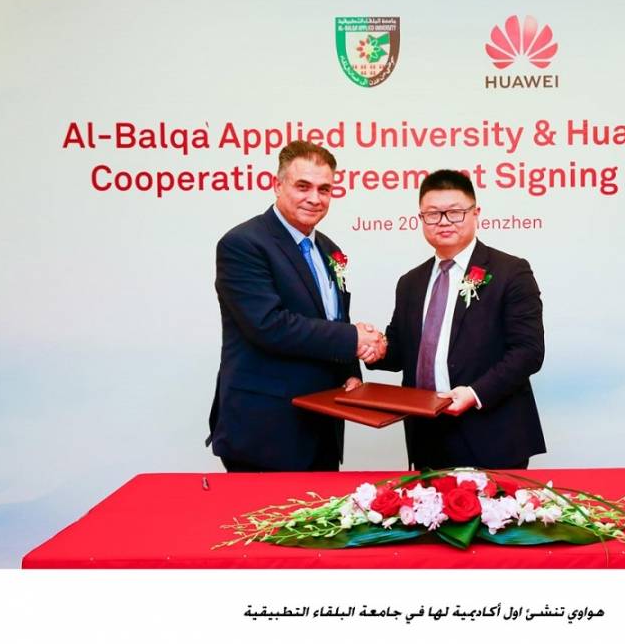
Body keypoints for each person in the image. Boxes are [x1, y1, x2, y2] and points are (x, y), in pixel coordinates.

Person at [207, 141, 385, 472]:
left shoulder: (329, 249)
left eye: (324, 189)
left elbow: (333, 318)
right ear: (277, 185)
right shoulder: (243, 244)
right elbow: (269, 325)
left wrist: (350, 371)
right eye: (303, 186)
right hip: (265, 429)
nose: (315, 198)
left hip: (322, 423)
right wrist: (354, 339)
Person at [370, 169, 546, 469]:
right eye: (432, 214)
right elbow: (400, 352)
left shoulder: (510, 272)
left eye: (455, 212)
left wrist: (474, 393)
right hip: (427, 433)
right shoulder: (410, 282)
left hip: (491, 432)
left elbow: (528, 352)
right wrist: (373, 348)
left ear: (476, 213)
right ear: (421, 219)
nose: (444, 222)